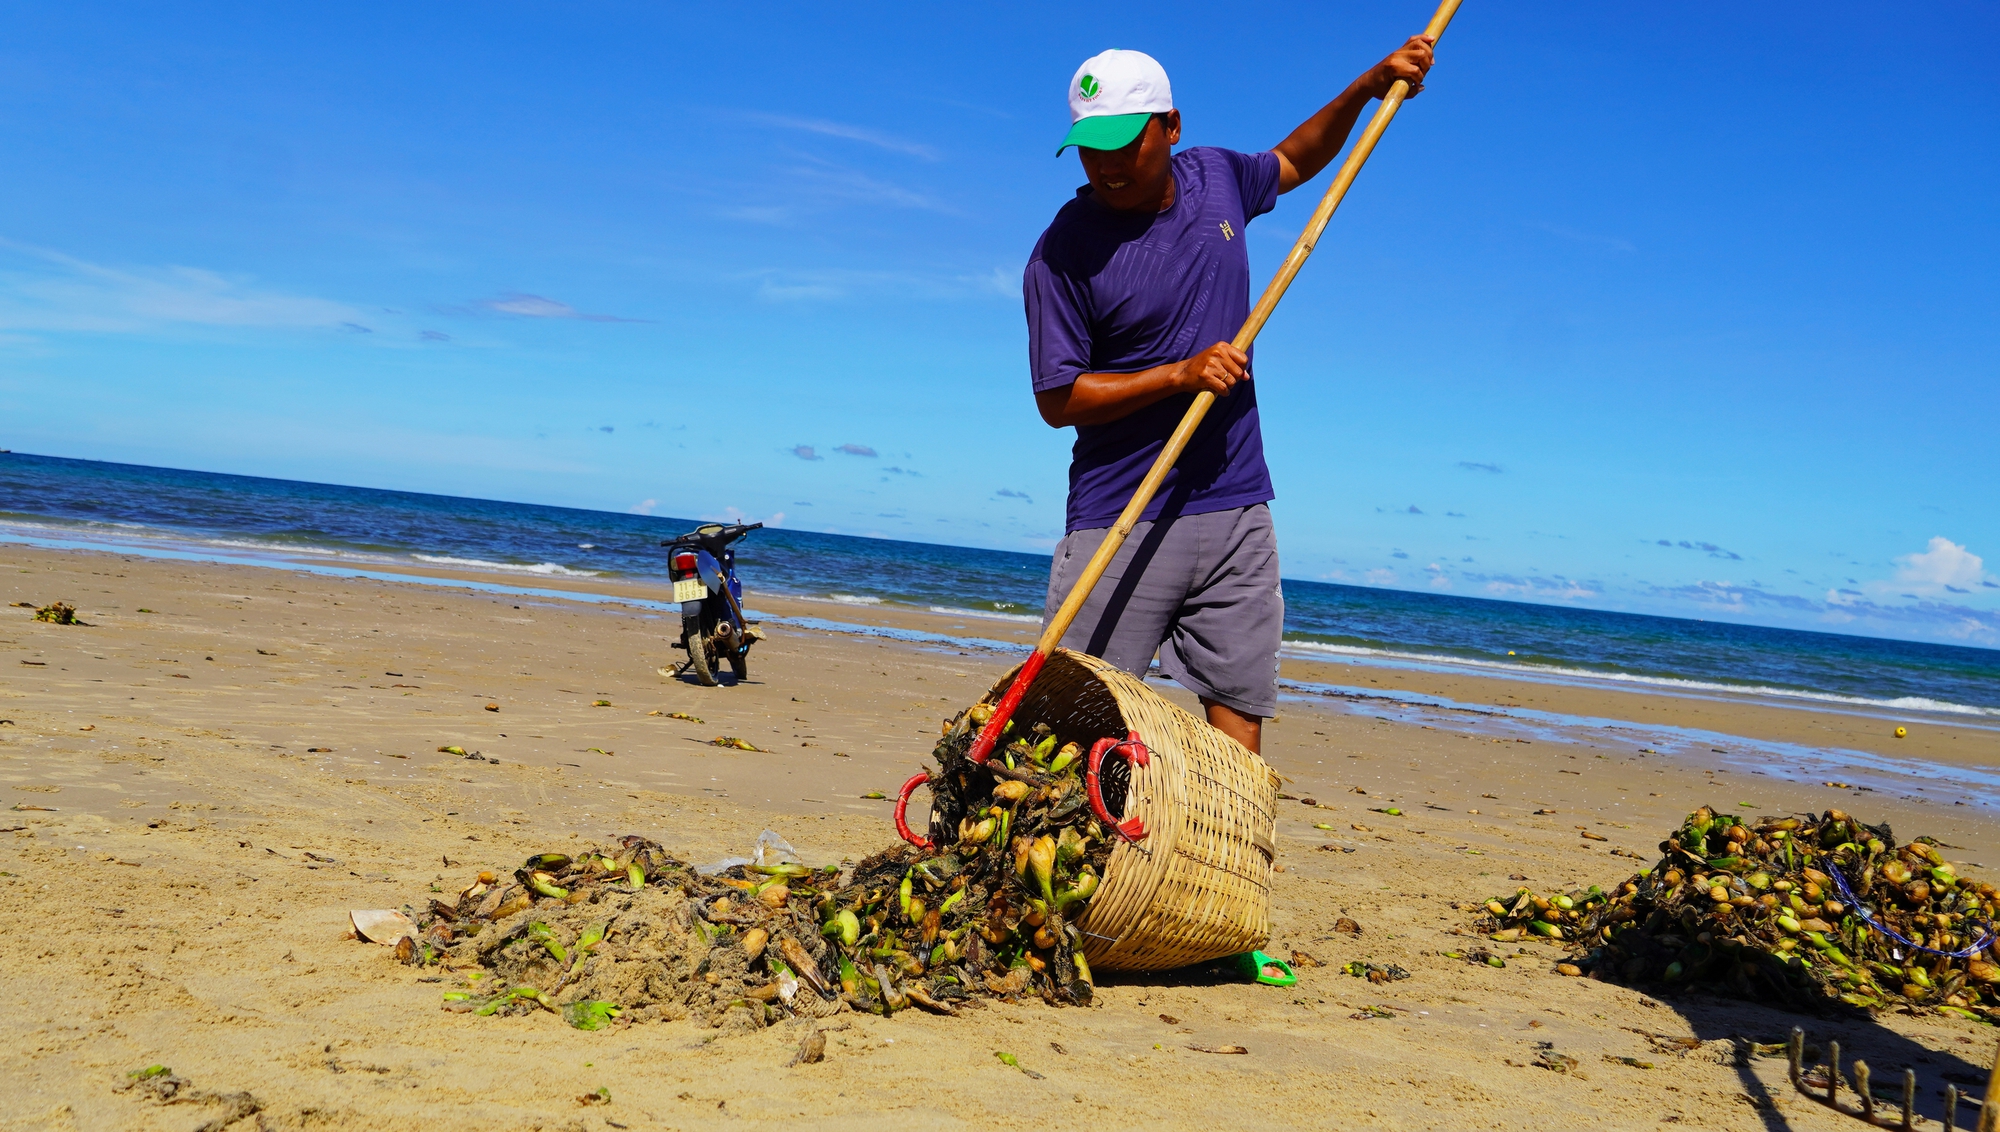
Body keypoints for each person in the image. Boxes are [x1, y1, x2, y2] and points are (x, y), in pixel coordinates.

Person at [1024, 37, 1435, 754]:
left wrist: (1367, 86)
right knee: (1073, 724)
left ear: (1171, 127)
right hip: (1122, 512)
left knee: (1240, 717)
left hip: (1236, 504)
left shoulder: (1215, 177)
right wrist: (1178, 375)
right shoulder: (1062, 252)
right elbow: (1059, 400)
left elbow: (1294, 160)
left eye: (1124, 143)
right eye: (1090, 147)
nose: (1107, 164)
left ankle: (1230, 833)